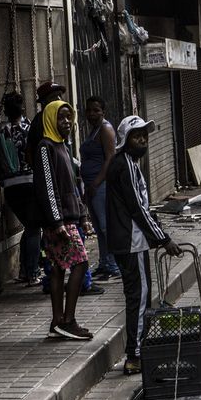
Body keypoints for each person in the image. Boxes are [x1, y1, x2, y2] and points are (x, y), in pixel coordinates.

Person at [106, 116, 182, 375]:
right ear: (125, 140)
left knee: (141, 294)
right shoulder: (124, 164)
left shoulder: (130, 164)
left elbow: (143, 207)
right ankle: (135, 354)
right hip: (131, 241)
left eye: (145, 135)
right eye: (137, 135)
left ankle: (140, 349)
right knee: (138, 297)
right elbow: (137, 208)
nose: (143, 140)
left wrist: (159, 232)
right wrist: (163, 238)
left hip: (132, 239)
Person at [34, 100, 93, 340]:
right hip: (58, 223)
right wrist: (57, 222)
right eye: (61, 118)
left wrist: (83, 215)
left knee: (58, 270)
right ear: (50, 120)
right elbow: (48, 187)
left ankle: (57, 322)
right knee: (80, 263)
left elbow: (73, 186)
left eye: (69, 117)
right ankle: (68, 320)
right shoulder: (45, 148)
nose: (67, 122)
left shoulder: (63, 147)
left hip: (68, 218)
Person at [0, 92, 42, 285]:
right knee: (33, 227)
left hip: (11, 187)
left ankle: (24, 270)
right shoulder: (30, 128)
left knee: (28, 227)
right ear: (22, 108)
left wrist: (4, 181)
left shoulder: (1, 131)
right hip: (30, 183)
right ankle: (32, 272)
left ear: (5, 110)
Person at [80, 97, 119, 282]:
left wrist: (96, 183)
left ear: (103, 111)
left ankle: (114, 264)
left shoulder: (105, 129)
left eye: (96, 110)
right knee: (99, 227)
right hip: (92, 186)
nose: (92, 114)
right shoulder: (93, 131)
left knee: (105, 226)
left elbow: (110, 158)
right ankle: (105, 263)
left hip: (101, 186)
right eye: (89, 111)